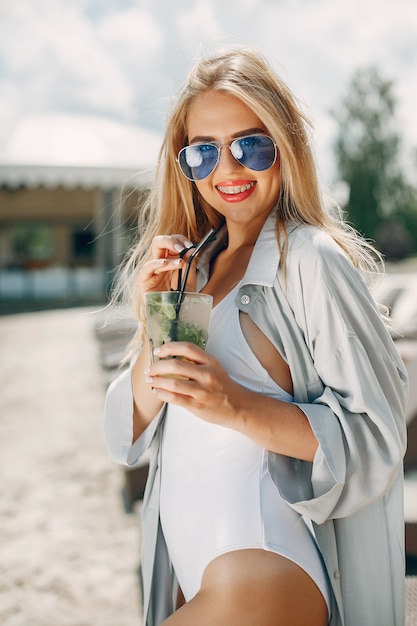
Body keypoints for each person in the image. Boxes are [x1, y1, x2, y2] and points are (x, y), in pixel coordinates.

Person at [104, 47, 408, 626]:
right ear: (182, 164)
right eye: (203, 153)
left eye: (251, 145)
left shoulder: (310, 260)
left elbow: (377, 439)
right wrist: (152, 327)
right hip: (184, 564)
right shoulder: (194, 263)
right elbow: (128, 433)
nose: (228, 170)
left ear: (285, 146)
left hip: (265, 565)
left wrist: (236, 405)